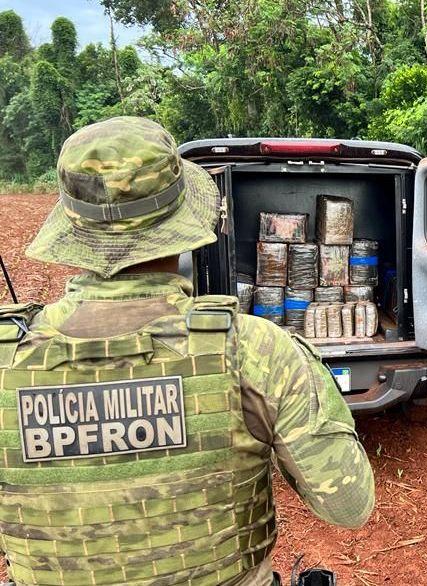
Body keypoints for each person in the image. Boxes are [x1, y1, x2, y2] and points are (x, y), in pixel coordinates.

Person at [0, 116, 375, 585]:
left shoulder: (7, 360)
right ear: (183, 226)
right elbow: (349, 505)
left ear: (72, 231)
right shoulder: (255, 351)